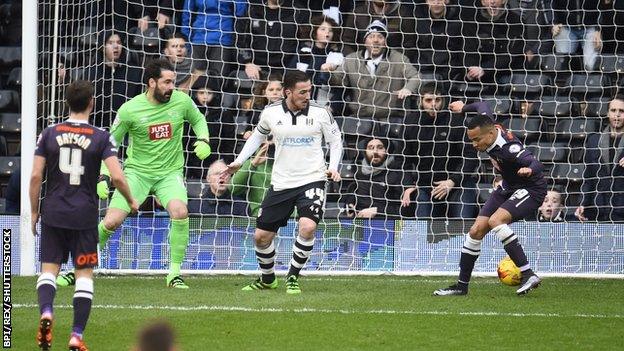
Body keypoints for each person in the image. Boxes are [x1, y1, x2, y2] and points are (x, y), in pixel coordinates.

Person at [57, 59, 212, 289]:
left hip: (169, 173)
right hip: (137, 173)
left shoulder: (181, 100)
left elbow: (198, 119)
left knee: (180, 212)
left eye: (173, 81)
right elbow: (111, 143)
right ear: (151, 82)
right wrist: (103, 176)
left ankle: (174, 274)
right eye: (166, 82)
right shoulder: (130, 109)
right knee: (111, 221)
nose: (172, 86)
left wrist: (203, 139)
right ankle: (78, 267)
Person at [30, 80, 138, 350]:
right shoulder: (101, 137)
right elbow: (116, 175)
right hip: (84, 216)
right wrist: (131, 200)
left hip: (54, 212)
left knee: (48, 271)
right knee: (84, 275)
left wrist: (34, 211)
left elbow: (34, 176)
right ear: (92, 102)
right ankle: (76, 335)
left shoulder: (49, 133)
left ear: (67, 102)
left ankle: (46, 311)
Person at [221, 70, 343, 294]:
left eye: (309, 91)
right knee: (261, 237)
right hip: (281, 182)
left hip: (312, 178)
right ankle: (268, 279)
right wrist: (239, 161)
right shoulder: (270, 112)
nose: (307, 95)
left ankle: (293, 277)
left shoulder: (321, 113)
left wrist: (333, 167)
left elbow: (336, 142)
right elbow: (258, 135)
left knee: (307, 226)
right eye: (302, 92)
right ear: (288, 92)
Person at [433, 100, 546, 296]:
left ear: (492, 134)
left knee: (496, 221)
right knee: (476, 231)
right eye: (471, 140)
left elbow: (536, 164)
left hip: (531, 188)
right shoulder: (488, 122)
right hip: (509, 186)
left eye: (477, 140)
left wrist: (528, 169)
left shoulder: (508, 148)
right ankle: (462, 286)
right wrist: (464, 108)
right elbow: (482, 105)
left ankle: (528, 274)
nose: (475, 144)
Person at [401, 84, 479, 219]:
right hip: (426, 187)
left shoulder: (456, 121)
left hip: (458, 185)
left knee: (462, 225)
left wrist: (452, 181)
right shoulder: (411, 122)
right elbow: (403, 160)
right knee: (422, 227)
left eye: (437, 100)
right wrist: (408, 185)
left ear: (443, 101)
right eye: (428, 100)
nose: (433, 104)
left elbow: (470, 156)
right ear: (420, 101)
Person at [325, 20, 420, 120]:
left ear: (385, 42)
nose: (375, 40)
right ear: (365, 41)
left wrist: (408, 88)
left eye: (380, 37)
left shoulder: (399, 59)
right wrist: (328, 72)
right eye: (371, 37)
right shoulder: (351, 59)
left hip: (390, 118)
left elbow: (416, 76)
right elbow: (339, 80)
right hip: (360, 118)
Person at [575, 95, 624, 222]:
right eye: (613, 110)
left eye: (622, 111)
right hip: (598, 209)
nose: (617, 115)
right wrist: (583, 203)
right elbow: (588, 177)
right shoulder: (593, 141)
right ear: (607, 113)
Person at [343, 137, 404, 219]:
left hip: (385, 224)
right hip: (359, 222)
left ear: (387, 150)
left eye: (380, 147)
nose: (375, 152)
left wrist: (377, 211)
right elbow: (352, 193)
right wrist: (350, 204)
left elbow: (404, 210)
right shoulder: (358, 172)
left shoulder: (396, 173)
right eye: (371, 148)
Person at [229, 139, 275, 217]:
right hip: (259, 217)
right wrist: (253, 165)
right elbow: (232, 190)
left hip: (291, 219)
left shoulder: (294, 163)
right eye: (269, 138)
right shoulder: (251, 163)